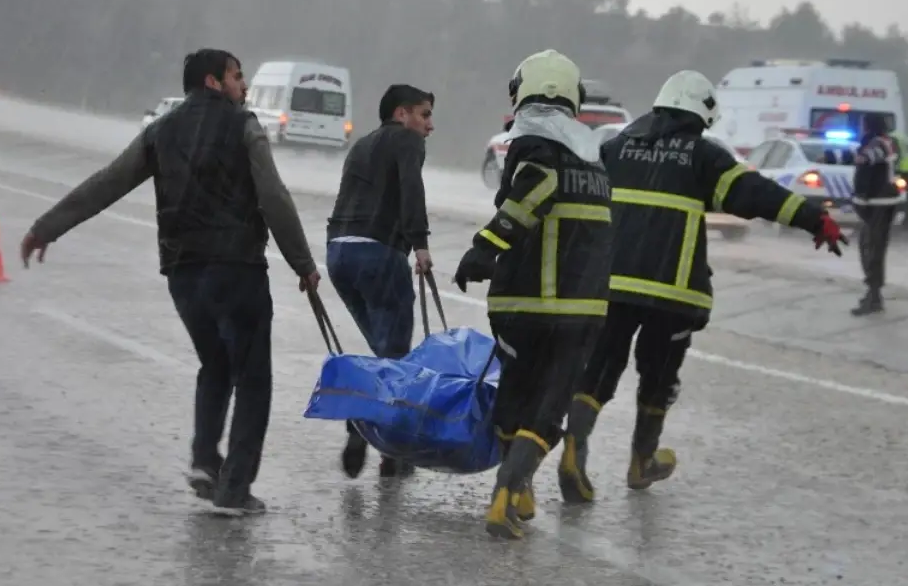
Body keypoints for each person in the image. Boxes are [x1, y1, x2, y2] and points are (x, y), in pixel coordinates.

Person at [19, 48, 320, 515]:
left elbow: (108, 182)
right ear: (214, 82)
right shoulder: (245, 126)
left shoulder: (161, 131)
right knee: (253, 379)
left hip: (183, 275)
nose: (244, 86)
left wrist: (46, 227)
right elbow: (273, 197)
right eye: (237, 76)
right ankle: (234, 490)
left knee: (214, 366)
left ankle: (204, 461)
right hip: (237, 270)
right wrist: (302, 262)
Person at [555, 71, 847, 505]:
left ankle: (574, 451)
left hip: (611, 286)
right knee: (658, 377)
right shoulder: (702, 156)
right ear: (702, 113)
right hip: (672, 293)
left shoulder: (615, 148)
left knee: (598, 371)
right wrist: (813, 218)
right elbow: (753, 193)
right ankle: (642, 461)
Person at [452, 49, 613, 540]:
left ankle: (512, 492)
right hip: (578, 310)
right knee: (548, 408)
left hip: (520, 303)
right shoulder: (592, 160)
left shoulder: (536, 147)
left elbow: (532, 193)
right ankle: (510, 495)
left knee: (516, 397)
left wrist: (483, 249)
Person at [326, 83, 434, 480]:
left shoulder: (362, 144)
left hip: (339, 253)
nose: (429, 125)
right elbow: (411, 190)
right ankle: (380, 439)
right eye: (424, 115)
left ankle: (384, 438)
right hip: (378, 253)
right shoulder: (407, 142)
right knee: (396, 356)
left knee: (387, 353)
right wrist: (419, 245)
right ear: (402, 114)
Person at [850, 114, 902, 316]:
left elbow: (870, 157)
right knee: (867, 247)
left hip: (881, 204)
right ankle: (873, 293)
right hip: (872, 206)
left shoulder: (881, 143)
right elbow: (859, 157)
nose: (861, 127)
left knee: (873, 249)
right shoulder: (873, 142)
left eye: (863, 124)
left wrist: (861, 158)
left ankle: (874, 295)